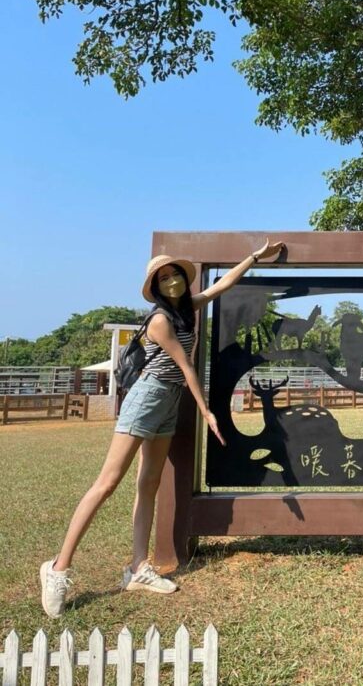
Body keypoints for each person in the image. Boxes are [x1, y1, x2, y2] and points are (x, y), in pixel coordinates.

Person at [39, 239, 284, 618]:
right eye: (163, 278)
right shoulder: (159, 320)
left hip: (168, 401)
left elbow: (222, 286)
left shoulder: (187, 309)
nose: (171, 282)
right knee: (107, 484)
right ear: (155, 287)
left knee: (149, 483)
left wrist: (255, 256)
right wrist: (207, 412)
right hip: (148, 397)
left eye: (174, 276)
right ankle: (57, 569)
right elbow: (186, 367)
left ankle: (138, 568)